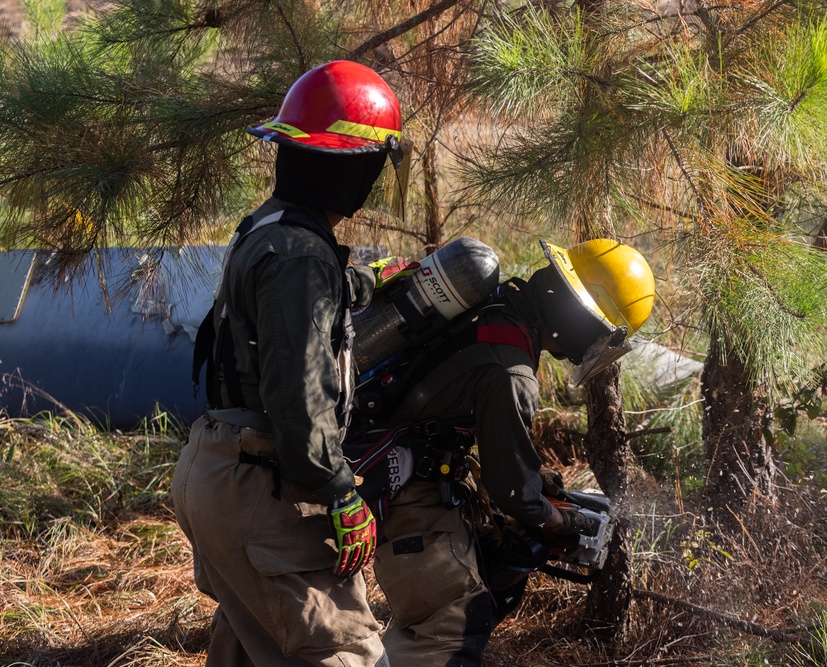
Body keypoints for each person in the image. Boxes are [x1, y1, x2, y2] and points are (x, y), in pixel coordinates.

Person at [173, 60, 408, 666]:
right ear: (358, 168)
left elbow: (280, 312)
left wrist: (361, 281)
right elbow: (298, 393)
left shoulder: (271, 229)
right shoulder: (302, 256)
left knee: (253, 648)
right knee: (343, 651)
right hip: (263, 485)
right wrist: (340, 493)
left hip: (217, 469)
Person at [347, 238, 656, 666]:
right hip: (401, 481)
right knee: (451, 621)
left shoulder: (502, 306)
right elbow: (513, 492)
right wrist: (561, 521)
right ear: (581, 318)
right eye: (601, 332)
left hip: (388, 458)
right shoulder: (513, 370)